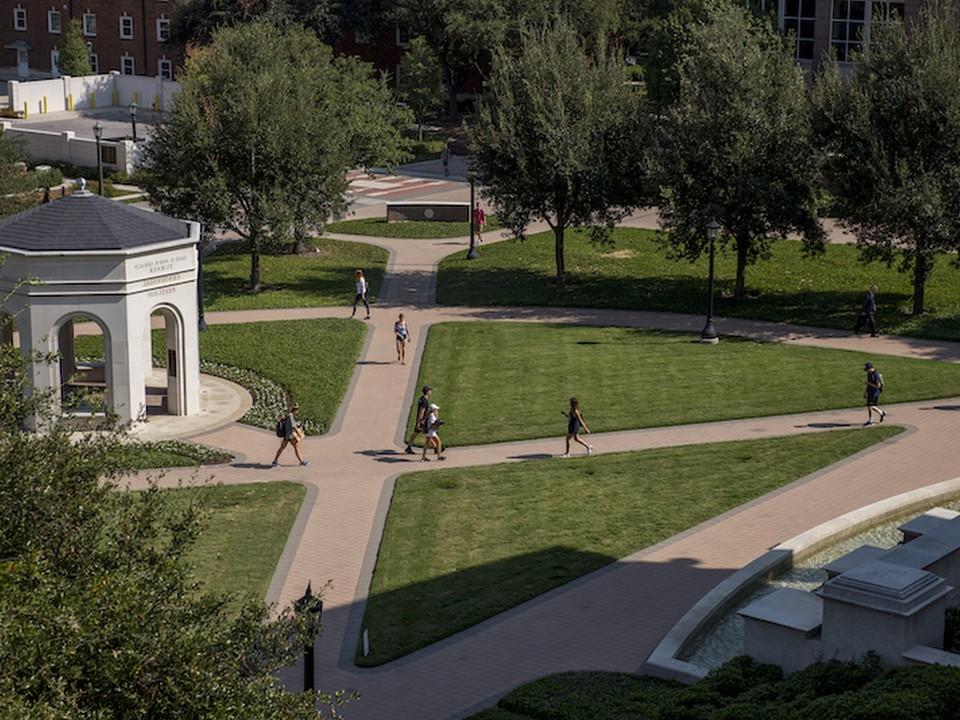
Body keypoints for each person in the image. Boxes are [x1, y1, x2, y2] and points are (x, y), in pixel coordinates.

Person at [404, 385, 432, 454]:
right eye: (430, 390)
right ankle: (437, 447)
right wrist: (420, 421)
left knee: (415, 433)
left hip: (420, 420)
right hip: (422, 421)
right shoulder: (425, 401)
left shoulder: (421, 399)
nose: (431, 392)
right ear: (427, 392)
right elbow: (421, 411)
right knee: (429, 433)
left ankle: (408, 447)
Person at [863, 362, 887, 426]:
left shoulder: (876, 375)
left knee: (870, 406)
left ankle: (880, 414)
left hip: (875, 392)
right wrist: (865, 392)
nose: (867, 371)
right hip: (870, 391)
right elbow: (868, 383)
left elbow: (878, 386)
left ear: (870, 368)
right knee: (869, 406)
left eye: (867, 369)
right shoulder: (869, 373)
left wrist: (868, 383)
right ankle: (873, 418)